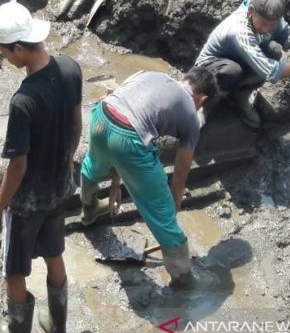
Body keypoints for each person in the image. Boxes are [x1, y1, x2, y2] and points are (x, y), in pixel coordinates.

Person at [0, 0, 83, 333]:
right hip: (60, 187)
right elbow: (76, 125)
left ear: (19, 48)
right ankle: (57, 325)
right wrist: (66, 164)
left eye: (4, 52)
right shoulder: (70, 68)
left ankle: (17, 327)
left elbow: (18, 167)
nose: (4, 58)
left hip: (27, 202)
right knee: (54, 251)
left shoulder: (23, 101)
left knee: (14, 270)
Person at [80, 68, 217, 288]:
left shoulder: (149, 74)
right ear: (202, 99)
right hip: (128, 137)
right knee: (162, 214)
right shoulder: (192, 118)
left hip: (101, 116)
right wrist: (171, 211)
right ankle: (183, 278)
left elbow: (120, 116)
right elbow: (180, 175)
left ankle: (89, 210)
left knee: (91, 167)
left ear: (184, 79)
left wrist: (117, 181)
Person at [195, 0, 290, 128]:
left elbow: (287, 34)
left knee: (274, 51)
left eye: (272, 25)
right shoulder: (239, 31)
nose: (266, 29)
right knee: (231, 71)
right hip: (209, 69)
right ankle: (205, 106)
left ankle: (240, 95)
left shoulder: (268, 8)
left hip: (238, 57)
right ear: (251, 11)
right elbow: (271, 72)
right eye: (262, 23)